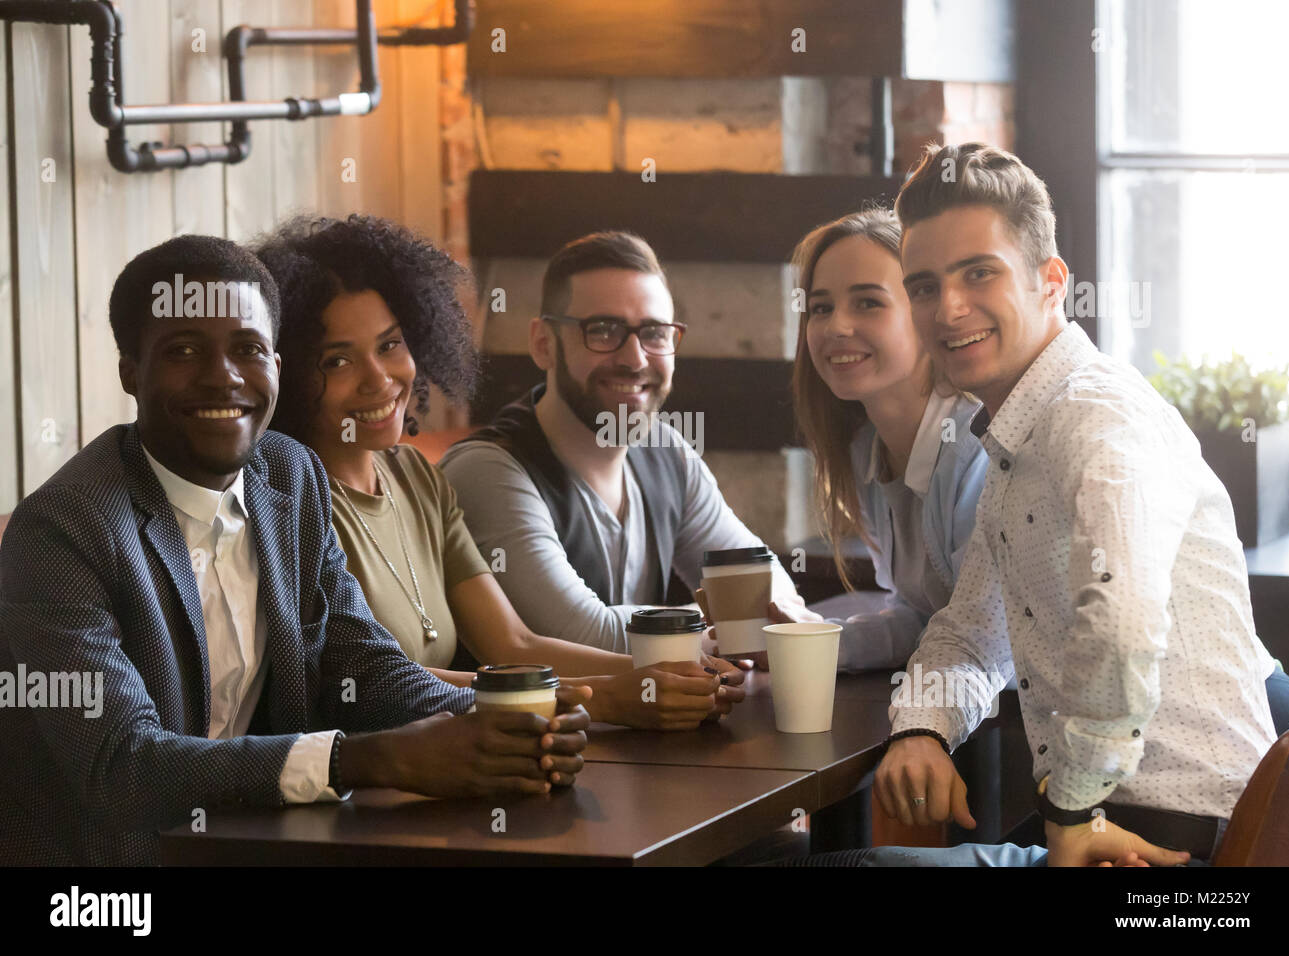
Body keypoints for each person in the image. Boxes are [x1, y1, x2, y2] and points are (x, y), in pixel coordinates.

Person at [0, 236, 589, 866]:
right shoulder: (63, 532)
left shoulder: (290, 475)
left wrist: (511, 719)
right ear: (129, 372)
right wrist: (369, 758)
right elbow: (123, 767)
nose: (223, 375)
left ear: (277, 367)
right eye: (184, 350)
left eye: (247, 349)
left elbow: (361, 664)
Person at [866, 143, 1289, 866]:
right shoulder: (1016, 441)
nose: (950, 308)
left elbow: (1123, 620)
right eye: (923, 285)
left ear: (1050, 282)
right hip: (1107, 819)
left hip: (1177, 843)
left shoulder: (1098, 418)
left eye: (980, 273)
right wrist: (921, 728)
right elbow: (971, 631)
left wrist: (1071, 808)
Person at [254, 215, 743, 730]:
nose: (379, 379)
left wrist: (676, 676)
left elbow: (513, 643)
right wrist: (601, 696)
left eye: (389, 345)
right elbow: (383, 679)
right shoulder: (289, 500)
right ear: (286, 372)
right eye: (337, 362)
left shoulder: (417, 478)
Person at [439, 231, 815, 655]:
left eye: (654, 333)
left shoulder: (667, 453)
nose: (634, 359)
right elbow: (585, 636)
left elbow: (761, 581)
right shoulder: (488, 471)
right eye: (603, 330)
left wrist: (769, 613)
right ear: (544, 344)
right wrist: (738, 630)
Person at [784, 207, 989, 673]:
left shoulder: (976, 446)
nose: (836, 326)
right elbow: (920, 617)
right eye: (820, 307)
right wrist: (801, 646)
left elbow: (985, 641)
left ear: (926, 314)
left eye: (868, 302)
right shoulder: (865, 452)